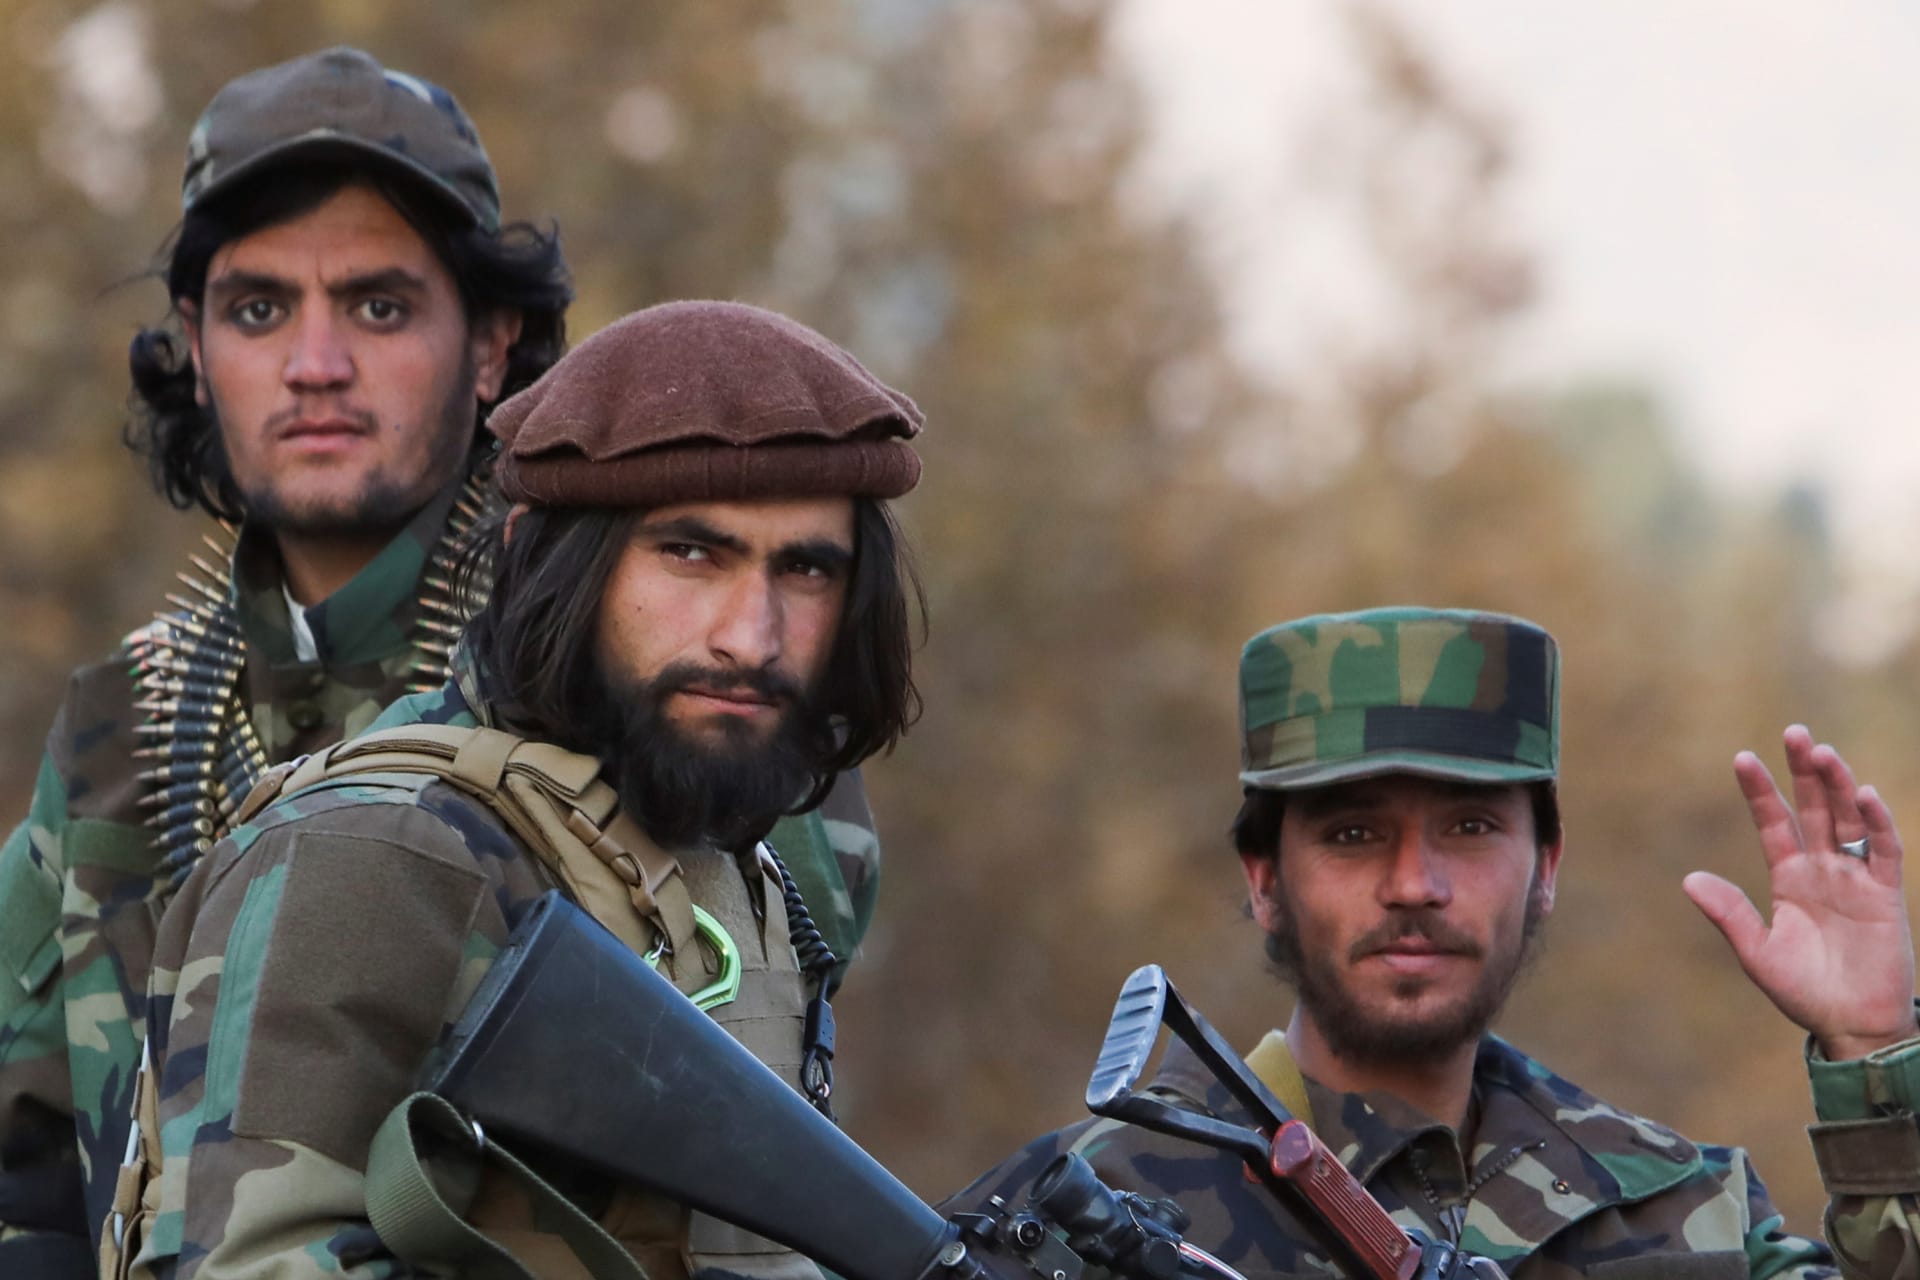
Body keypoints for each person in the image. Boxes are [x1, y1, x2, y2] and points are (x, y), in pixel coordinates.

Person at [0, 48, 880, 1275]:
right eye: (259, 309)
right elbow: (23, 1182)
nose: (316, 364)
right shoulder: (120, 728)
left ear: (492, 343)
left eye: (379, 305)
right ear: (194, 347)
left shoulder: (663, 685)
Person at [120, 300, 924, 1280]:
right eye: (691, 552)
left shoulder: (731, 865)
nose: (750, 635)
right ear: (545, 562)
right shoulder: (381, 852)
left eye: (804, 568)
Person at [949, 606, 1920, 1278]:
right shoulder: (1080, 1206)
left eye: (1469, 825)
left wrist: (1873, 1052)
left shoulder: (1678, 1208)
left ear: (1546, 866)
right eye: (1353, 832)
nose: (1415, 881)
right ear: (1262, 877)